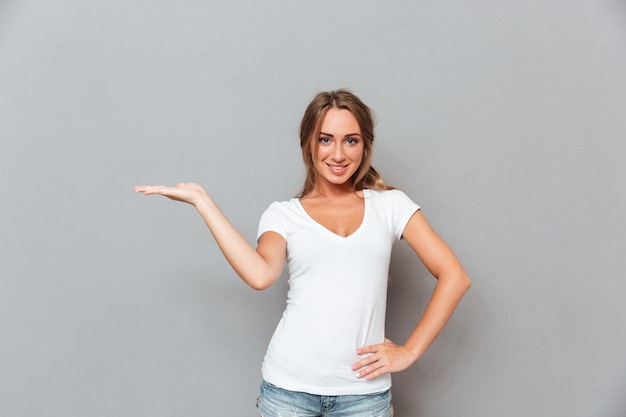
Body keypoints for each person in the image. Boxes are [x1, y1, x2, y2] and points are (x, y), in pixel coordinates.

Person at [134, 89, 471, 417]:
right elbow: (260, 274)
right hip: (288, 393)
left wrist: (409, 352)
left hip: (364, 397)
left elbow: (455, 277)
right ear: (309, 144)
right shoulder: (283, 215)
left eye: (350, 140)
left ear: (365, 145)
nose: (338, 154)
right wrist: (203, 202)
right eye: (326, 139)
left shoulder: (391, 206)